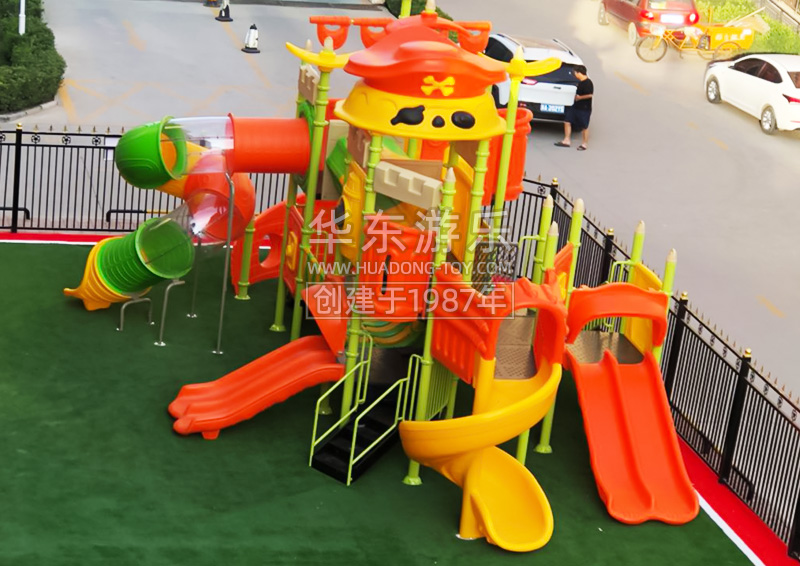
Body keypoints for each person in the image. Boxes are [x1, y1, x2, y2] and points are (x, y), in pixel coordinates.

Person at [555, 65, 593, 151]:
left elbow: (590, 95)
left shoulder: (588, 83)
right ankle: (566, 140)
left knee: (584, 126)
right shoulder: (581, 82)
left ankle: (584, 144)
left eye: (575, 73)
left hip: (584, 108)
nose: (574, 74)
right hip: (575, 106)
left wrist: (579, 98)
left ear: (579, 73)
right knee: (567, 121)